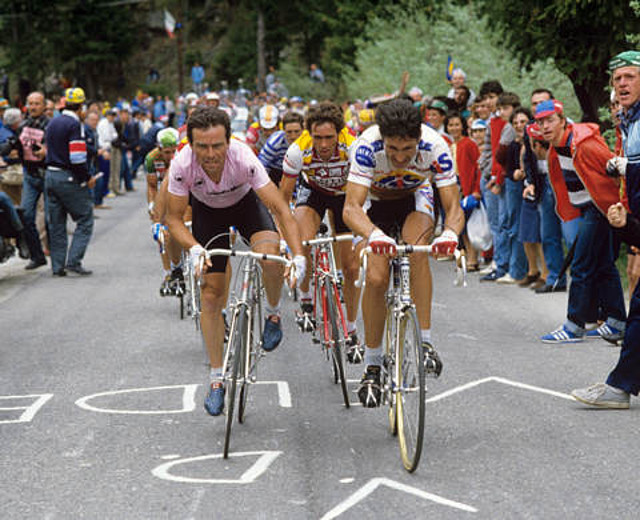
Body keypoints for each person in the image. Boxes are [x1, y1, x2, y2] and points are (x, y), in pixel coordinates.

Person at [165, 106, 305, 416]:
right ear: (191, 144)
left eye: (217, 145)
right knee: (211, 296)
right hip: (207, 214)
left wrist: (297, 256)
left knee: (270, 258)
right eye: (202, 146)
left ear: (229, 142)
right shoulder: (181, 164)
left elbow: (281, 209)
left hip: (246, 206)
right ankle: (216, 378)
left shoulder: (244, 159)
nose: (211, 153)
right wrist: (193, 249)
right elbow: (172, 219)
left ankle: (272, 314)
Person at [343, 99, 464, 407]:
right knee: (376, 275)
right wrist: (374, 235)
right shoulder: (366, 146)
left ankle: (424, 342)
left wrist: (450, 234)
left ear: (418, 140)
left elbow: (452, 206)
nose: (399, 157)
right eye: (393, 149)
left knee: (416, 251)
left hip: (415, 198)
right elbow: (351, 207)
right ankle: (372, 364)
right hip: (375, 205)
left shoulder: (436, 146)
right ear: (382, 138)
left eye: (407, 150)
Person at [571, 50, 640, 408]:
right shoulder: (629, 121)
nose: (622, 84)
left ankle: (619, 387)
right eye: (617, 80)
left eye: (629, 76)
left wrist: (627, 169)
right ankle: (620, 385)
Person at [535, 99, 626, 344]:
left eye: (550, 120)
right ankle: (617, 321)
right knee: (604, 265)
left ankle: (574, 325)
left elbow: (613, 168)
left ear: (563, 121)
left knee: (581, 265)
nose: (545, 126)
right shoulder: (556, 147)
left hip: (599, 209)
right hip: (588, 209)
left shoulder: (583, 145)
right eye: (540, 121)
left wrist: (618, 207)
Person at [280, 102, 363, 362]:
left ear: (340, 134)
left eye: (329, 138)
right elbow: (283, 199)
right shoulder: (298, 150)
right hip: (313, 192)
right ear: (310, 135)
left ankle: (350, 329)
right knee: (302, 241)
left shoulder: (354, 146)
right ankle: (306, 300)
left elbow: (363, 192)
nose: (324, 144)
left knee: (351, 268)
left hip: (345, 197)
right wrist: (285, 237)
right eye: (318, 138)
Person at [44, 87, 98, 276]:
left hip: (50, 175)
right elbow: (77, 158)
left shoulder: (53, 122)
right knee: (85, 218)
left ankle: (57, 266)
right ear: (81, 106)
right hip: (67, 177)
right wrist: (87, 177)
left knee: (56, 223)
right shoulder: (74, 125)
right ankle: (74, 260)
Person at [146, 127, 182, 294]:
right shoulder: (151, 159)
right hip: (163, 194)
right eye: (166, 152)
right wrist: (152, 205)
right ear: (159, 149)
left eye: (173, 151)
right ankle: (168, 273)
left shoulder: (182, 156)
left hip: (183, 194)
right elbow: (152, 186)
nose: (170, 156)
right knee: (162, 232)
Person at [445, 111, 481, 270]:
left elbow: (477, 168)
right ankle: (463, 258)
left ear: (463, 126)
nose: (454, 128)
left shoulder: (469, 144)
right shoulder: (449, 145)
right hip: (453, 187)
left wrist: (476, 189)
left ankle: (473, 259)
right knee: (458, 224)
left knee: (468, 224)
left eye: (457, 124)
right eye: (451, 125)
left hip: (467, 186)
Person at [19, 91, 50, 270]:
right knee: (26, 216)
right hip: (30, 176)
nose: (33, 107)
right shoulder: (23, 125)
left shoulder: (51, 125)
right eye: (30, 103)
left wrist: (47, 151)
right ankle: (37, 255)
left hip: (47, 175)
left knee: (50, 218)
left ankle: (58, 255)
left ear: (44, 106)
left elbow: (58, 148)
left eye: (37, 103)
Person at [258, 111, 304, 186]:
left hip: (298, 170)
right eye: (289, 132)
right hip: (275, 170)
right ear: (283, 130)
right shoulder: (274, 142)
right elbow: (262, 166)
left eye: (297, 131)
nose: (293, 136)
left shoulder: (308, 142)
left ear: (303, 130)